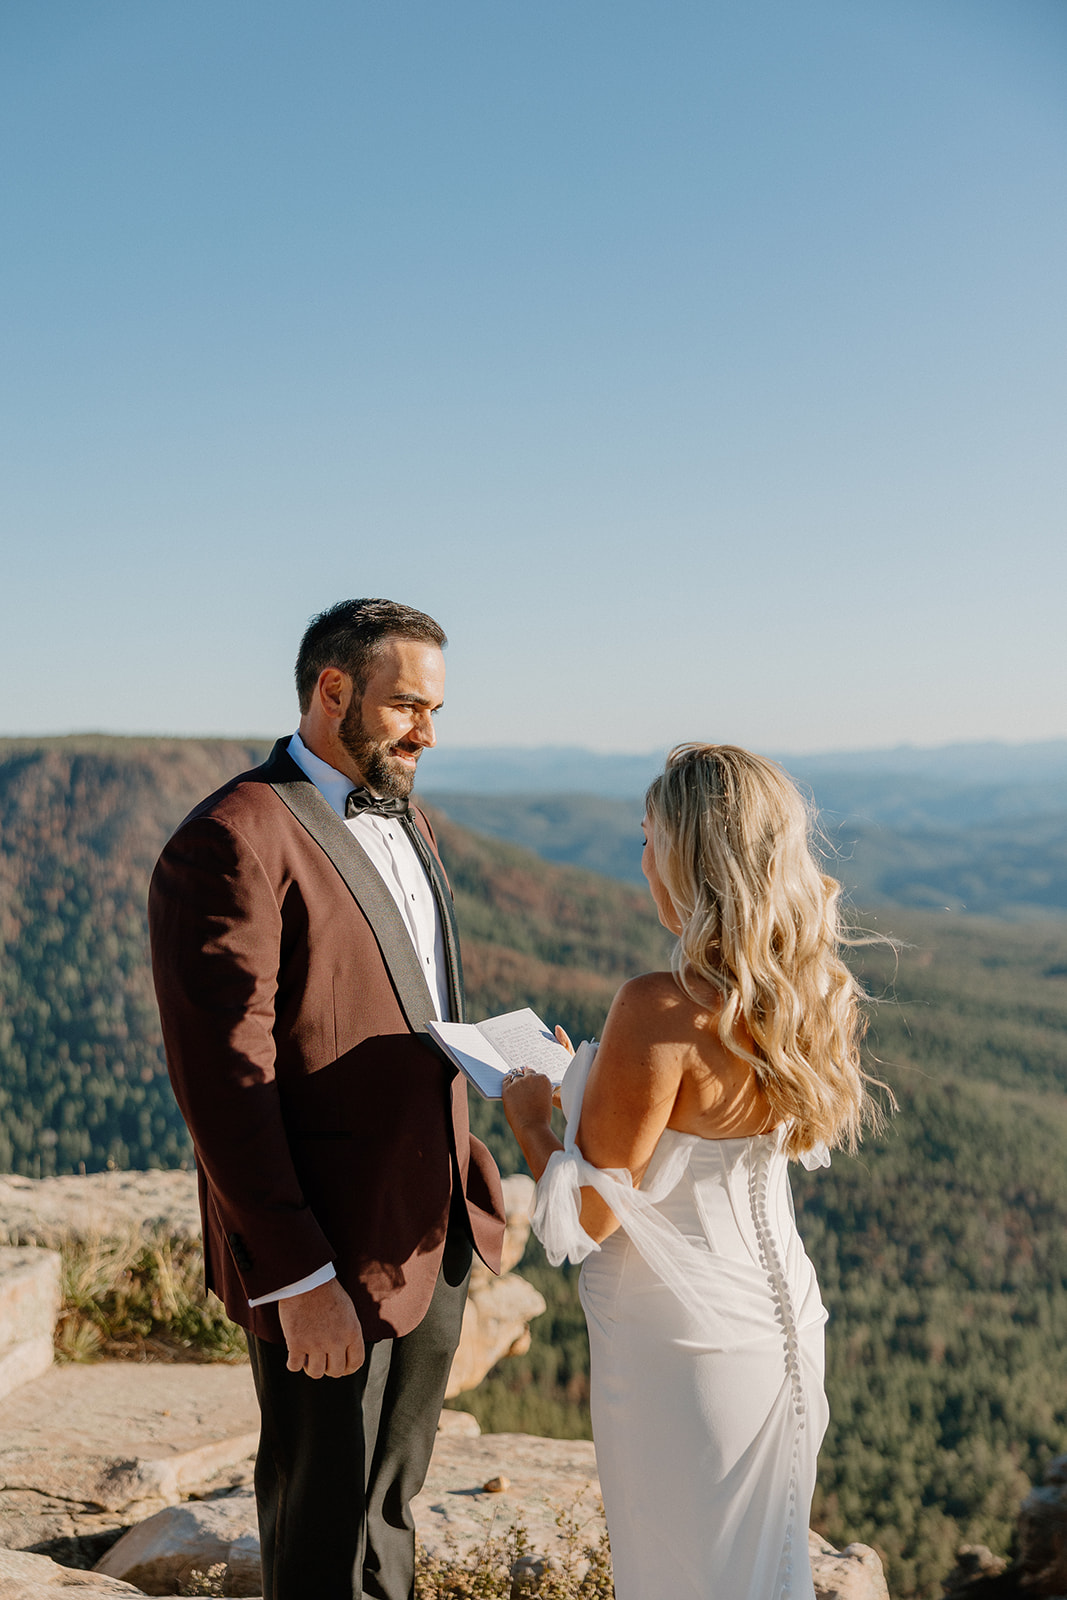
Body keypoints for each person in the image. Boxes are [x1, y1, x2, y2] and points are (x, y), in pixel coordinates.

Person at [148, 598, 505, 1600]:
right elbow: (224, 1081)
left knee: (386, 1511)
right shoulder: (230, 839)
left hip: (428, 1230)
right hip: (325, 1258)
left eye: (434, 709)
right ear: (331, 690)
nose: (427, 733)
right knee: (319, 1534)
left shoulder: (405, 812)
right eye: (406, 707)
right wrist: (295, 1273)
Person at [502, 743, 878, 1600]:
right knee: (757, 1571)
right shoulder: (805, 989)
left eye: (647, 838)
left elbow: (587, 1221)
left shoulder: (658, 1006)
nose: (639, 860)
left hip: (676, 1341)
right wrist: (587, 1094)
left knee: (673, 1574)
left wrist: (530, 1119)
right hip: (780, 1322)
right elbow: (692, 1134)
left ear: (684, 855)